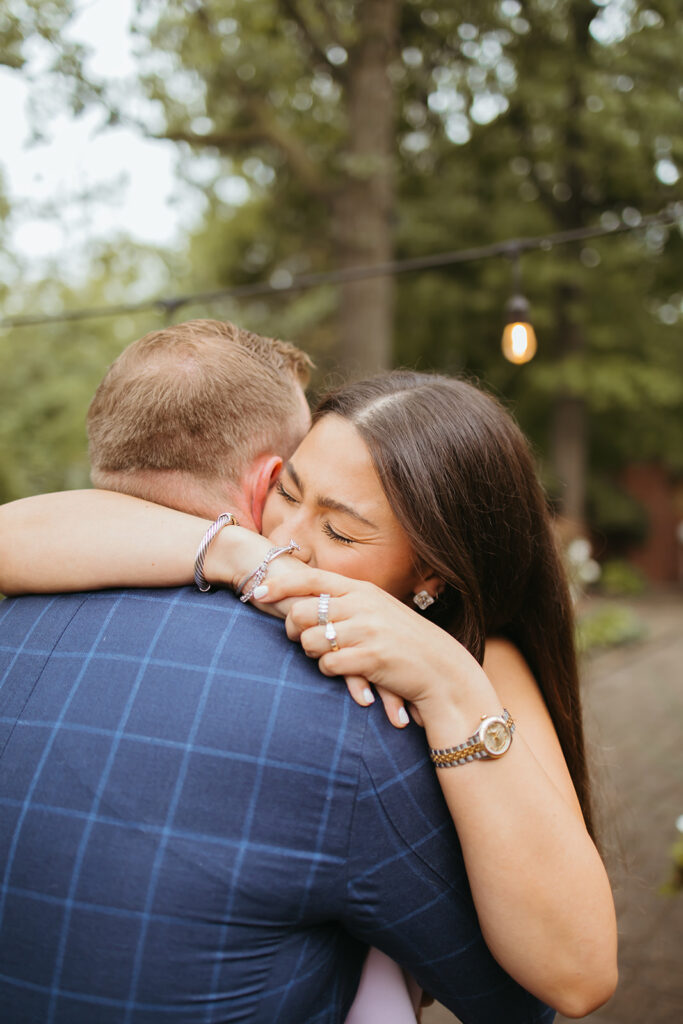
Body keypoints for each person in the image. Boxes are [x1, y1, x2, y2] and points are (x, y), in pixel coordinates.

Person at [0, 322, 618, 1022]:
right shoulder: (265, 575)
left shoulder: (482, 668)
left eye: (342, 529)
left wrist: (451, 681)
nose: (286, 539)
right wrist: (239, 554)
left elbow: (574, 977)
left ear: (431, 574)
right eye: (286, 493)